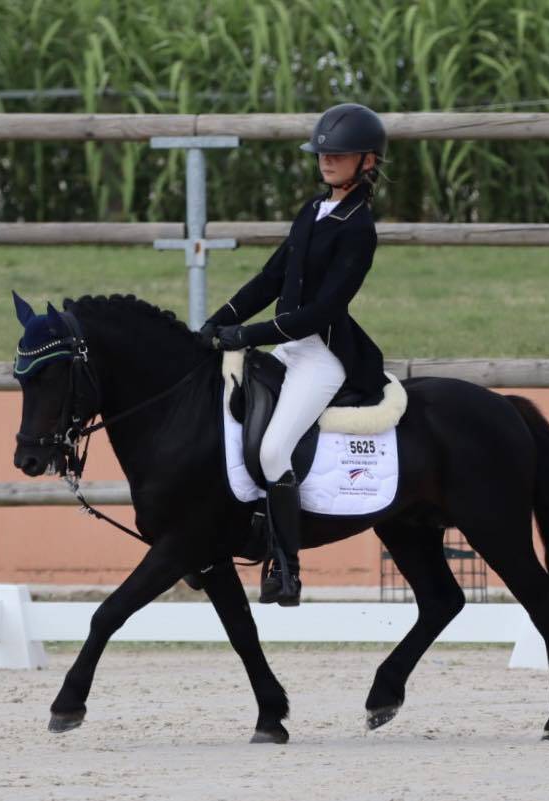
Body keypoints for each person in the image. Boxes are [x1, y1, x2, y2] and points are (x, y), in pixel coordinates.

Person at [200, 103, 391, 606]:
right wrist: (217, 321)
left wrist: (248, 334)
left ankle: (285, 568)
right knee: (225, 423)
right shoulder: (313, 210)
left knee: (272, 450)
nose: (326, 159)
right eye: (322, 152)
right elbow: (270, 278)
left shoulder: (358, 227)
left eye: (339, 153)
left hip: (323, 355)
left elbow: (323, 311)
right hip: (290, 346)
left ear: (367, 161)